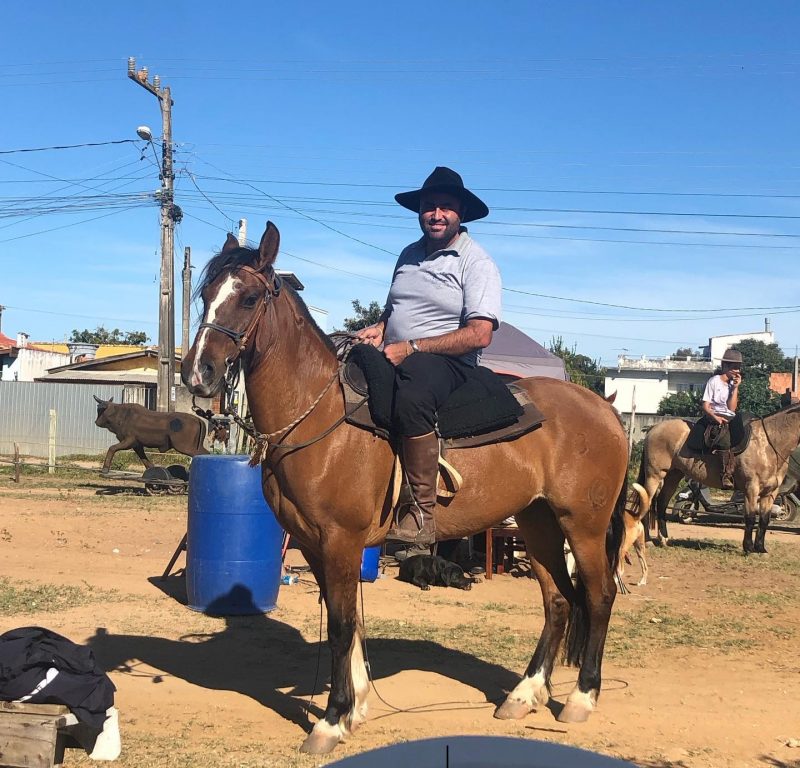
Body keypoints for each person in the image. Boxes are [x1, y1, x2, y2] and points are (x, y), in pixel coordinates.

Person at [356, 167, 502, 545]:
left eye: (446, 207)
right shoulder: (408, 255)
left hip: (450, 363)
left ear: (461, 214)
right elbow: (396, 310)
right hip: (399, 352)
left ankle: (421, 513)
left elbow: (480, 333)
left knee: (413, 390)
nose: (436, 214)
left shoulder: (476, 262)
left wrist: (414, 347)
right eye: (428, 207)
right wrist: (380, 329)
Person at [701, 347, 743, 489]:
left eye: (738, 367)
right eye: (734, 367)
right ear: (725, 366)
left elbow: (732, 408)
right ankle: (725, 474)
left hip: (728, 417)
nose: (737, 371)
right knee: (725, 439)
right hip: (714, 417)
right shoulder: (714, 381)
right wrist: (716, 417)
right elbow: (706, 405)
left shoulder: (732, 385)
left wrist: (736, 388)